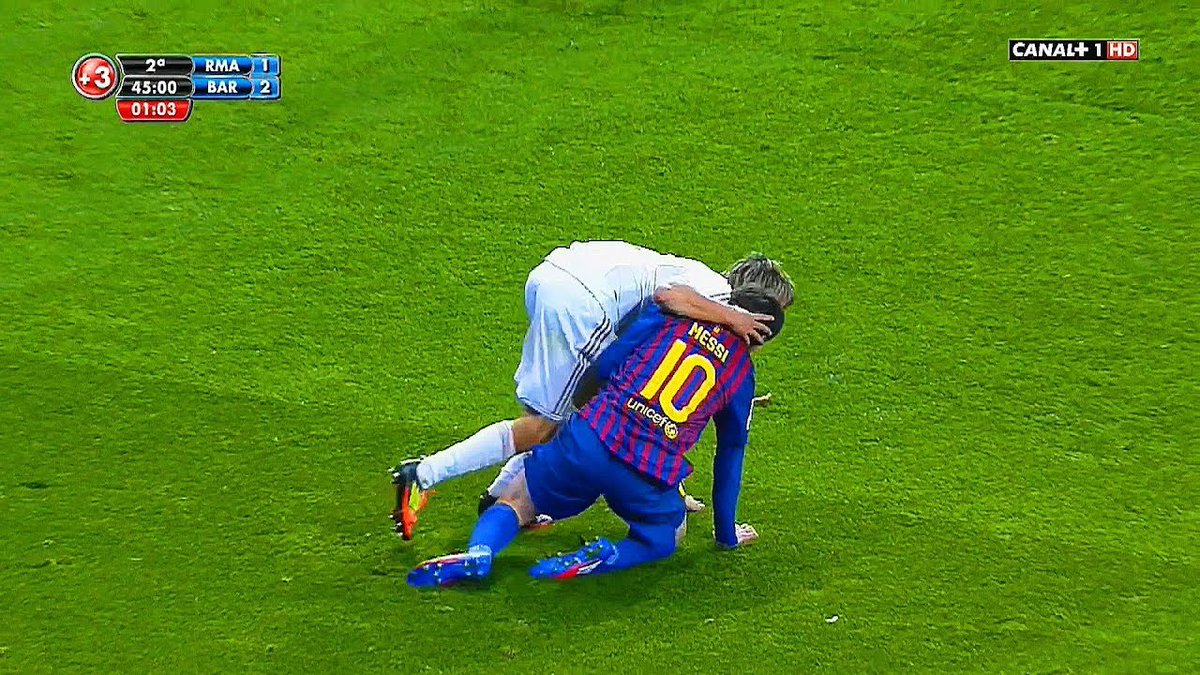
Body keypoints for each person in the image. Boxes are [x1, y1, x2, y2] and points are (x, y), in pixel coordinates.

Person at [390, 242, 794, 539]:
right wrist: (734, 318)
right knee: (548, 425)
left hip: (556, 275)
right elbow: (668, 297)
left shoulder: (702, 285)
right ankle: (424, 473)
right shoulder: (717, 298)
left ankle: (500, 498)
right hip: (583, 302)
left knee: (578, 414)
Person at [407, 284, 783, 587]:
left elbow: (608, 363)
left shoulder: (669, 317)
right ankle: (605, 557)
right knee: (666, 534)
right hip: (646, 469)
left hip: (591, 436)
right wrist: (726, 536)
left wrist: (588, 414)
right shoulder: (742, 377)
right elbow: (730, 456)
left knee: (517, 500)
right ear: (761, 339)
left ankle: (480, 553)